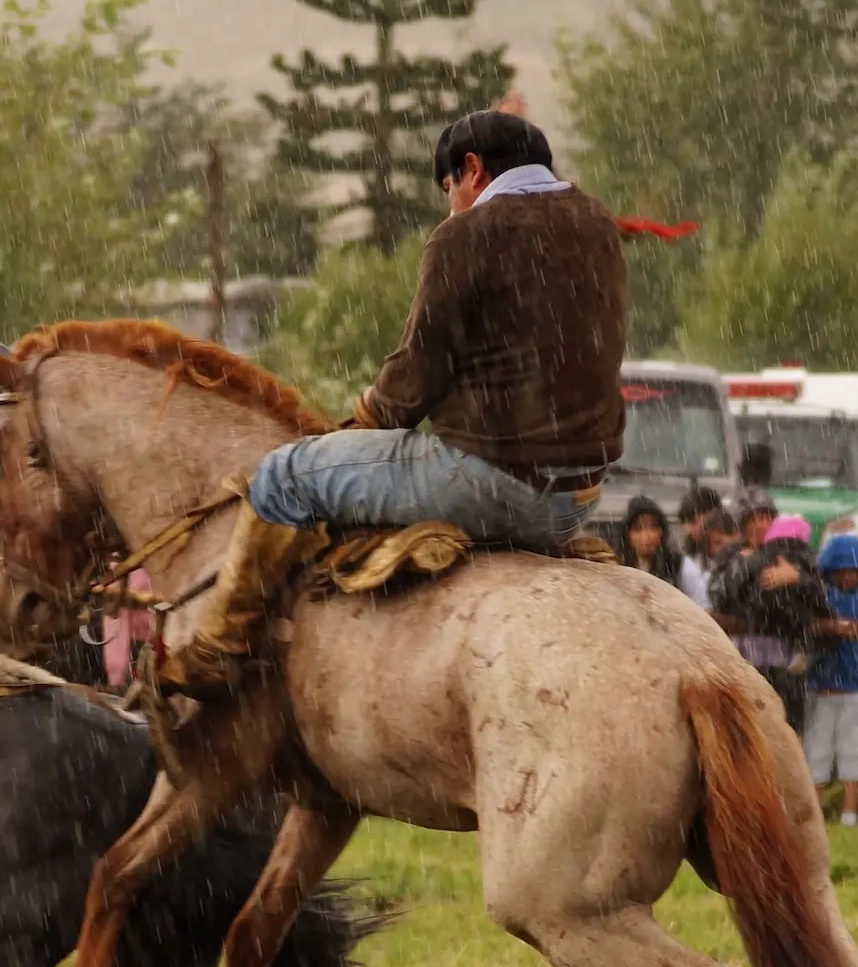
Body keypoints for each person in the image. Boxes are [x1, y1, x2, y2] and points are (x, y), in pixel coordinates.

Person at [157, 108, 628, 693]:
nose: (448, 205)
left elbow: (414, 376)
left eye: (448, 189)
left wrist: (352, 424)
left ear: (472, 170)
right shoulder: (597, 224)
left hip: (493, 482)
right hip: (578, 497)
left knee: (282, 476)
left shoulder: (465, 236)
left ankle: (217, 654)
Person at [804, 533, 858, 827]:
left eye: (851, 571)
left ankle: (849, 816)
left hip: (857, 690)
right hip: (820, 688)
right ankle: (814, 816)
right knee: (815, 753)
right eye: (839, 571)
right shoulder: (818, 598)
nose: (845, 577)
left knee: (854, 754)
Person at [712, 511, 828, 731]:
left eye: (765, 518)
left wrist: (797, 578)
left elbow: (822, 599)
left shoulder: (796, 565)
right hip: (755, 661)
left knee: (776, 729)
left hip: (782, 664)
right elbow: (720, 595)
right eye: (753, 519)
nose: (760, 525)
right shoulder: (738, 556)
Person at [675, 485, 723, 609]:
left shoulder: (734, 553)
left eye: (693, 521)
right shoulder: (683, 560)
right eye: (685, 522)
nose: (688, 529)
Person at [619, 495, 681, 584]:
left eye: (653, 527)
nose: (646, 536)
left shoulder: (678, 565)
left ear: (662, 532)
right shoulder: (617, 565)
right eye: (637, 529)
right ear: (627, 535)